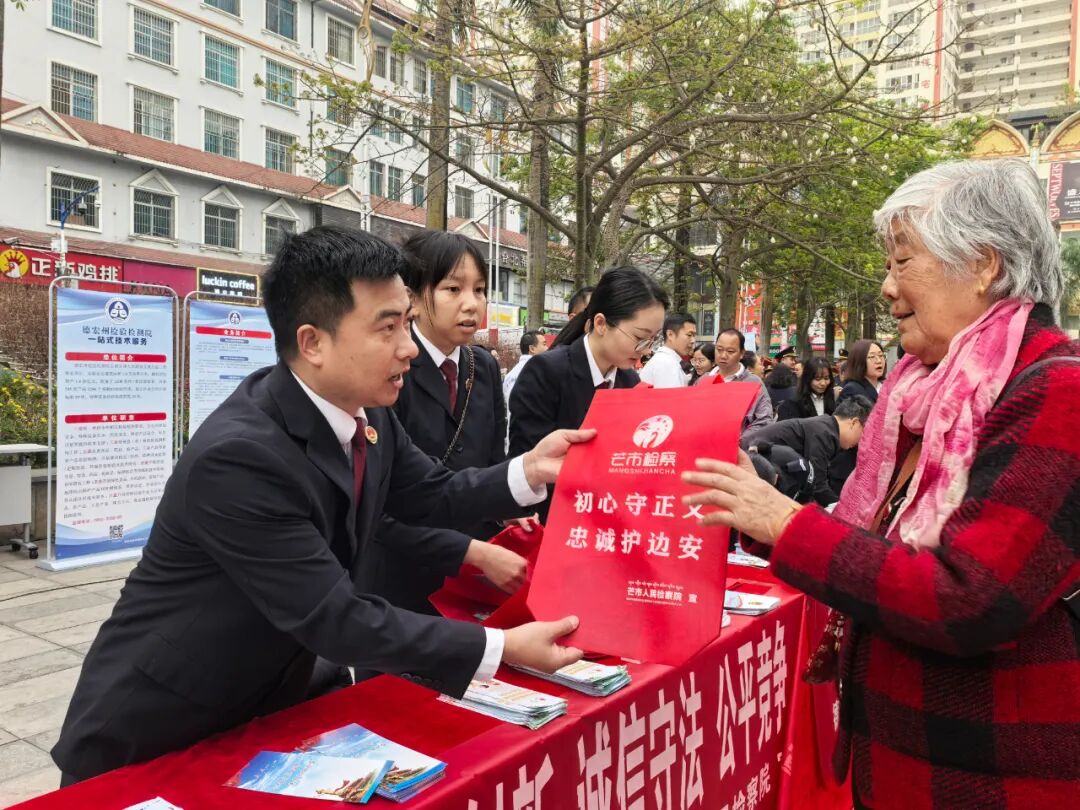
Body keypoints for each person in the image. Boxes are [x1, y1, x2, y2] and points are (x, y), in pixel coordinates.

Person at [53, 227, 589, 785]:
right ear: (312, 343)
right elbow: (336, 617)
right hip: (166, 724)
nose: (409, 347)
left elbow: (432, 493)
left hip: (276, 702)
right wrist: (499, 645)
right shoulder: (239, 457)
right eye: (387, 327)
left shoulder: (369, 415)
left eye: (407, 322)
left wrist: (530, 469)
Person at [682, 159, 1080, 807]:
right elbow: (879, 547)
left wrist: (785, 523)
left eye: (902, 262)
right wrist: (757, 502)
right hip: (905, 764)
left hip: (988, 781)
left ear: (984, 264)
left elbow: (969, 598)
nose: (887, 288)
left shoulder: (1054, 392)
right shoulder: (934, 395)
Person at [357, 230, 513, 616]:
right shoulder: (391, 368)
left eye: (480, 290)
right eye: (452, 289)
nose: (471, 304)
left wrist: (511, 513)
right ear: (411, 297)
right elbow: (379, 501)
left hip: (472, 575)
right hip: (398, 576)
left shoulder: (483, 366)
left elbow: (493, 465)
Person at [509, 267, 669, 520]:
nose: (646, 350)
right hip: (552, 519)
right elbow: (525, 462)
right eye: (640, 337)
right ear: (601, 324)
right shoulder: (546, 372)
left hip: (606, 518)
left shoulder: (629, 381)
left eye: (652, 340)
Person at [741, 395, 872, 507]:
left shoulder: (826, 427)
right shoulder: (824, 433)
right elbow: (817, 485)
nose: (861, 441)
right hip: (752, 463)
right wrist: (841, 509)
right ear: (854, 423)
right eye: (864, 432)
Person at [711, 328, 773, 432]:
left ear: (741, 353)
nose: (723, 355)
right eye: (719, 349)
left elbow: (765, 420)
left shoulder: (753, 383)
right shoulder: (703, 381)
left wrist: (739, 439)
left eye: (730, 351)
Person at [639, 312, 696, 388]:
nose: (693, 340)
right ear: (670, 335)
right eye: (689, 335)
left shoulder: (666, 360)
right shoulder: (667, 363)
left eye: (694, 336)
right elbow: (671, 395)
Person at [503, 329, 547, 404]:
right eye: (544, 344)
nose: (547, 348)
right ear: (532, 349)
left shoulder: (513, 373)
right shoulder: (532, 372)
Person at [838, 339, 886, 404]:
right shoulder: (852, 390)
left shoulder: (888, 386)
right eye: (872, 357)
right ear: (859, 361)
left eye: (881, 355)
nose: (879, 361)